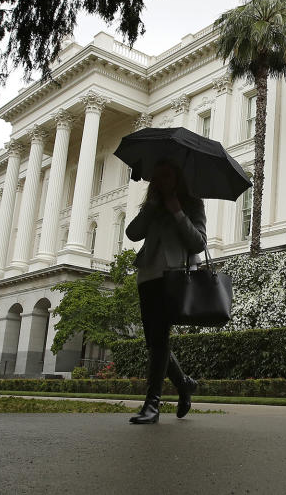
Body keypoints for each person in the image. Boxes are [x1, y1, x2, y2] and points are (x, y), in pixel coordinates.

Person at [125, 161, 207, 424]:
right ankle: (184, 385)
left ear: (178, 176)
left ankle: (152, 404)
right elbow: (133, 233)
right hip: (147, 276)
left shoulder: (192, 202)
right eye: (159, 175)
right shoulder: (153, 204)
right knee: (155, 342)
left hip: (174, 278)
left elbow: (199, 242)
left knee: (159, 339)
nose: (163, 179)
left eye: (168, 173)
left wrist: (177, 212)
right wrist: (152, 207)